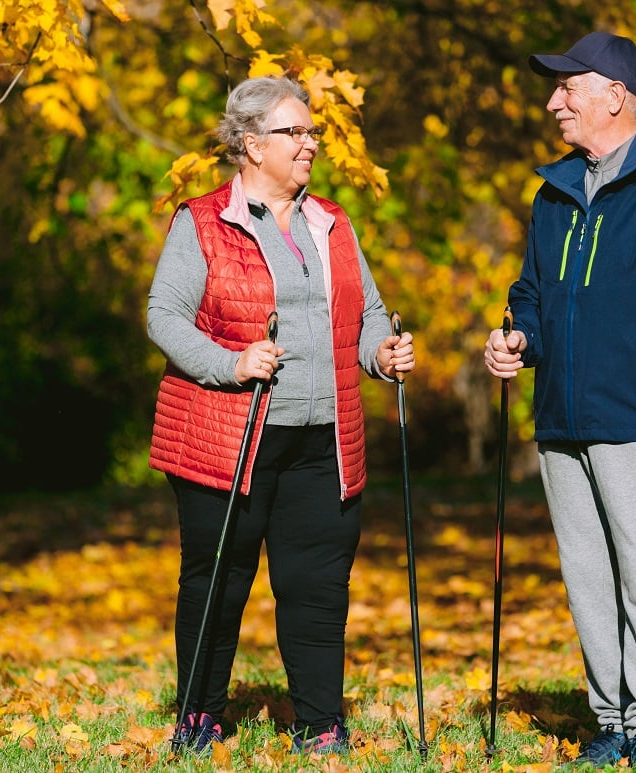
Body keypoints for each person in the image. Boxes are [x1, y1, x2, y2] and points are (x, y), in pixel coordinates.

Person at [147, 75, 415, 756]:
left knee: (318, 584)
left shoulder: (333, 221)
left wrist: (382, 353)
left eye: (312, 131)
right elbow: (164, 316)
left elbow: (365, 315)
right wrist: (230, 363)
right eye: (294, 132)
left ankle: (320, 722)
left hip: (324, 436)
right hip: (226, 433)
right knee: (219, 579)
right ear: (248, 143)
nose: (310, 144)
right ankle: (199, 715)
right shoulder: (202, 220)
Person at [483, 31, 636, 771]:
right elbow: (529, 293)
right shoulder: (554, 191)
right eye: (556, 88)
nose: (555, 100)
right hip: (560, 414)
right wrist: (515, 337)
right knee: (588, 577)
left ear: (614, 96)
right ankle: (612, 719)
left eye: (569, 87)